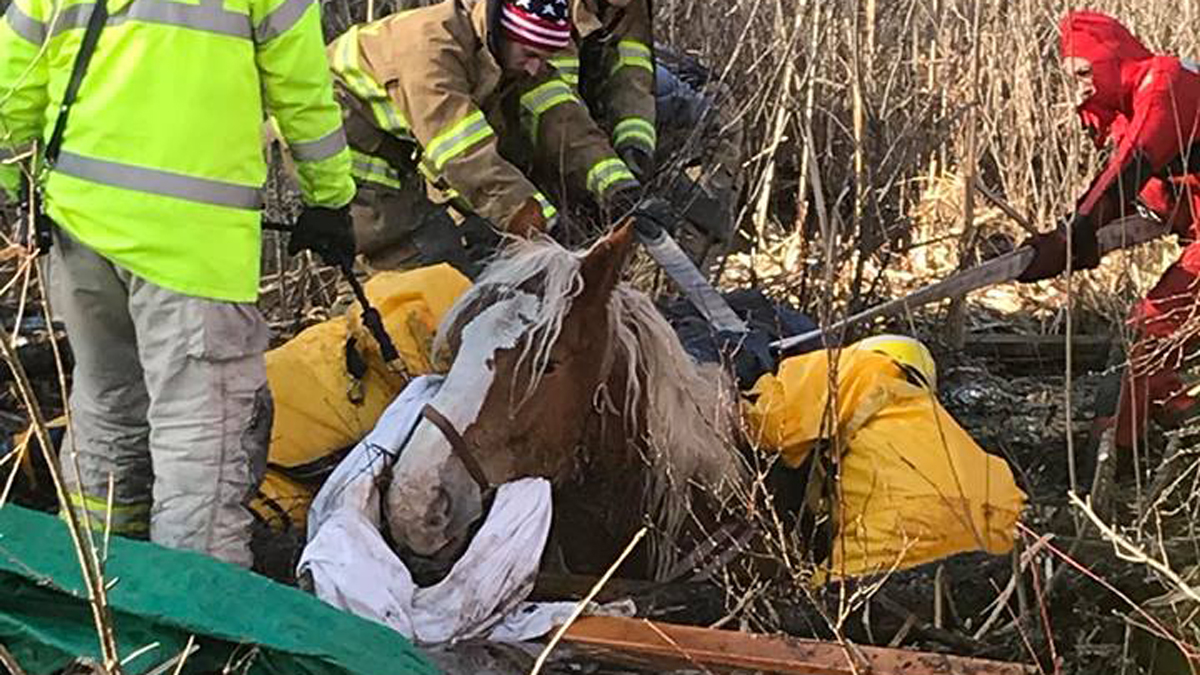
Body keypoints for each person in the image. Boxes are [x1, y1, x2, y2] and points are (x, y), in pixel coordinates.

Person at [0, 0, 356, 566]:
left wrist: (17, 183)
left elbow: (11, 81)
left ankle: (99, 585)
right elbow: (303, 92)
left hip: (80, 230)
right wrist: (330, 196)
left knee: (107, 408)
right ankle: (191, 633)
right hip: (193, 249)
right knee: (200, 441)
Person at [327, 0, 650, 273]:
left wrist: (618, 188)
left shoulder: (508, 51)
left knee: (479, 247)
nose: (536, 68)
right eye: (531, 54)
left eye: (544, 57)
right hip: (343, 148)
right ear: (504, 31)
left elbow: (563, 122)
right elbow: (469, 160)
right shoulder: (433, 56)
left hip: (396, 145)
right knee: (431, 261)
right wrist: (544, 226)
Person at [1017, 11, 1200, 472]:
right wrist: (1075, 242)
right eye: (1070, 76)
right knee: (1156, 348)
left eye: (1084, 72)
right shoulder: (1130, 110)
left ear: (1110, 61)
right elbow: (1144, 204)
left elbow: (1125, 175)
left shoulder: (1165, 86)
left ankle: (1116, 464)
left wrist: (1074, 231)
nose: (1079, 85)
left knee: (1151, 329)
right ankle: (1182, 425)